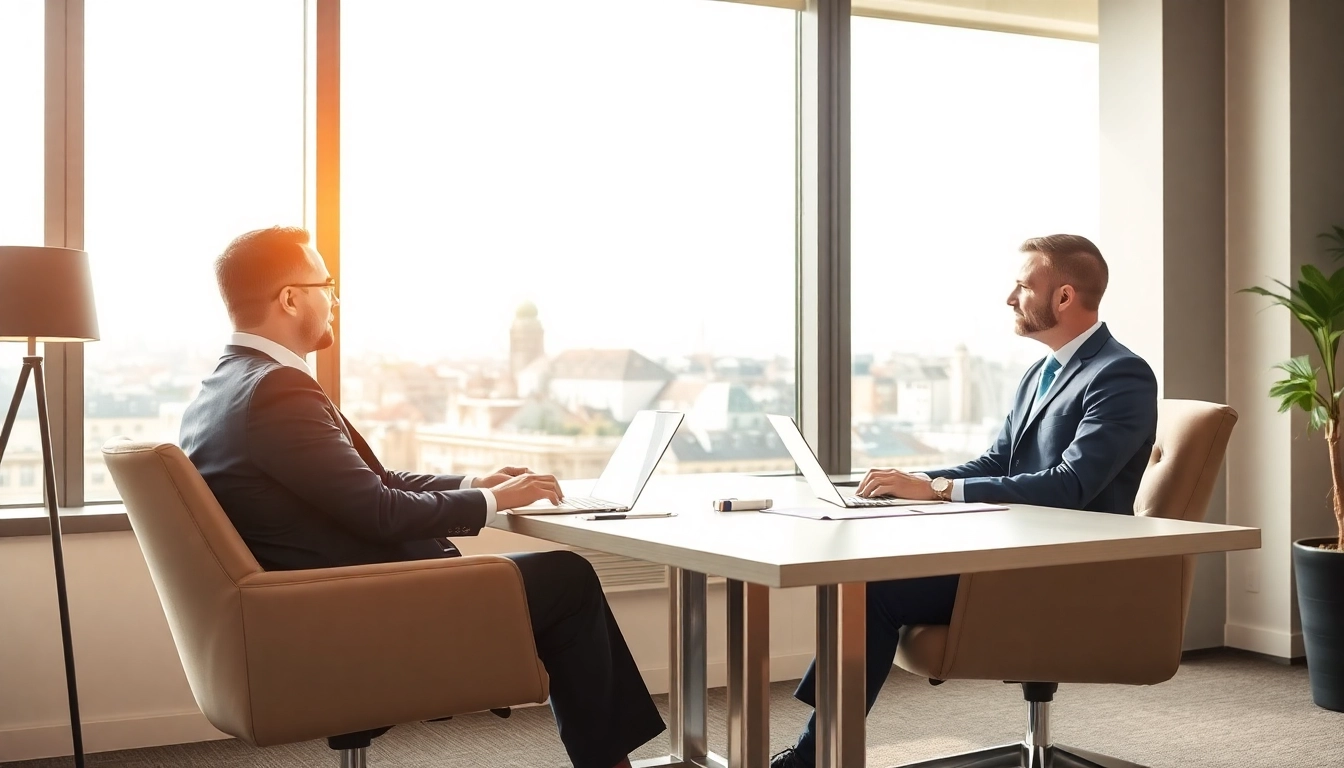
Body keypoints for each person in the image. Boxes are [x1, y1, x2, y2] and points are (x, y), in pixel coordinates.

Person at [179, 226, 665, 768]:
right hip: (353, 612)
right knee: (567, 579)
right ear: (291, 298)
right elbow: (380, 511)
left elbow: (372, 483)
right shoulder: (277, 390)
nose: (335, 300)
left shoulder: (222, 390)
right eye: (326, 285)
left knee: (553, 580)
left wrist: (476, 486)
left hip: (307, 607)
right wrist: (495, 504)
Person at [771, 234, 1158, 768]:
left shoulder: (1120, 374)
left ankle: (813, 757)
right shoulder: (1041, 373)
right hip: (1013, 555)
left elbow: (1070, 486)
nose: (1010, 298)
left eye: (1022, 286)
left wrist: (937, 491)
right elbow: (996, 462)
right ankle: (818, 749)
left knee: (872, 590)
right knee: (861, 577)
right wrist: (914, 480)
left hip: (1064, 570)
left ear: (1065, 296)